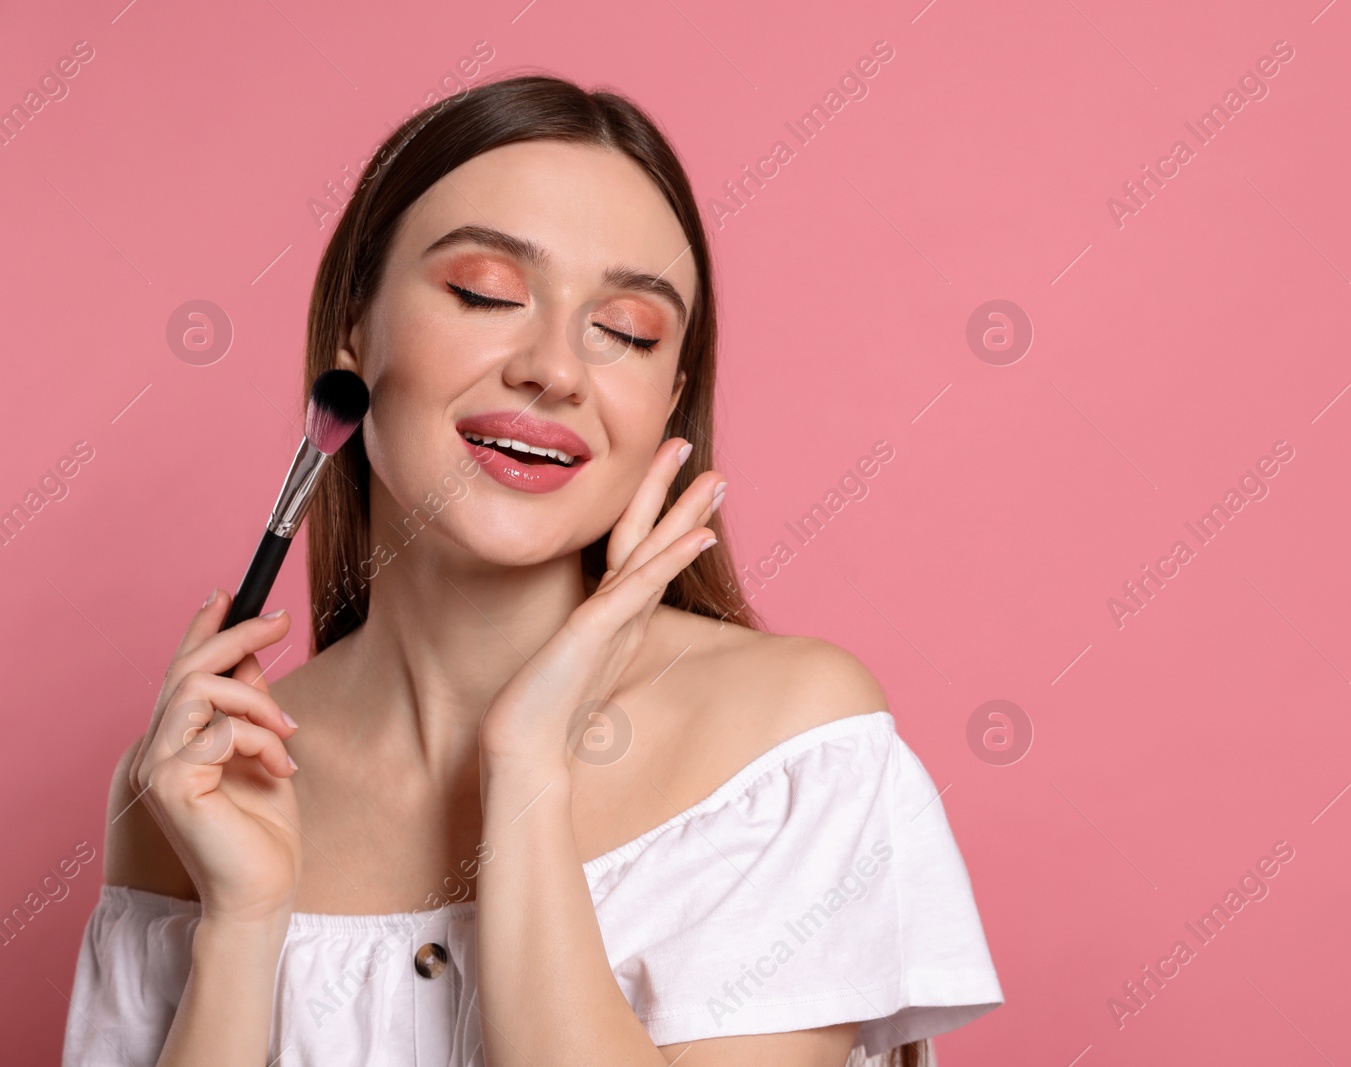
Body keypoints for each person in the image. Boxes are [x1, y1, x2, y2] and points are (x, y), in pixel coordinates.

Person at [62, 73, 1001, 1067]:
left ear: (667, 403)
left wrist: (525, 769)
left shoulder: (784, 745)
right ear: (353, 329)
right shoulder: (194, 782)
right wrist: (244, 925)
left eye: (627, 333)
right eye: (486, 292)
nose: (555, 368)